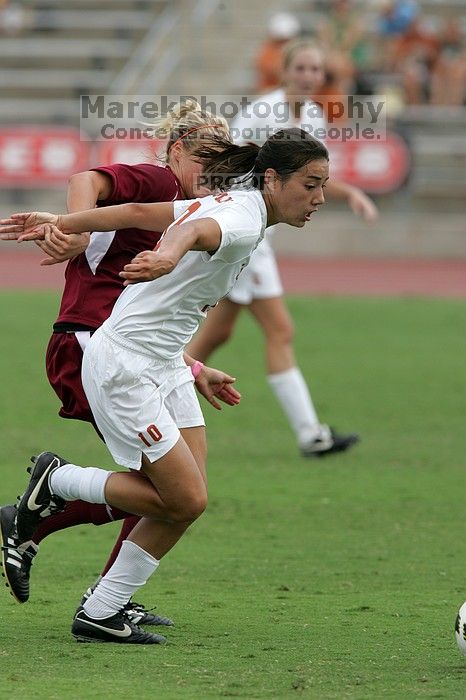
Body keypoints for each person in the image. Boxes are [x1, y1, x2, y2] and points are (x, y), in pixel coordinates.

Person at [1, 127, 330, 644]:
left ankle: (103, 609)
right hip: (126, 367)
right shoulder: (242, 220)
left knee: (185, 497)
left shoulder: (238, 203)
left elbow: (135, 215)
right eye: (311, 185)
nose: (320, 198)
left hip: (165, 364)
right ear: (272, 178)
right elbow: (189, 235)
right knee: (185, 500)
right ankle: (58, 483)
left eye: (324, 186)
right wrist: (168, 256)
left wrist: (65, 222)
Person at [0, 101, 240, 623]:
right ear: (176, 152)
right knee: (169, 490)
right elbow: (87, 176)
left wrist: (196, 369)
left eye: (224, 165)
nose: (213, 173)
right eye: (205, 159)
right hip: (88, 345)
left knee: (179, 489)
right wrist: (77, 228)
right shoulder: (159, 182)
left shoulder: (191, 211)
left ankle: (105, 595)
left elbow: (146, 321)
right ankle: (52, 512)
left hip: (129, 353)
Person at [189, 38, 378, 458]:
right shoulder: (261, 113)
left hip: (261, 235)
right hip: (246, 233)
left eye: (316, 70)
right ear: (285, 71)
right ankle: (311, 435)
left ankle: (164, 385)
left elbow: (310, 176)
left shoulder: (313, 116)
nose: (309, 76)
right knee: (281, 330)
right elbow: (226, 163)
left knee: (218, 331)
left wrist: (350, 194)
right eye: (302, 68)